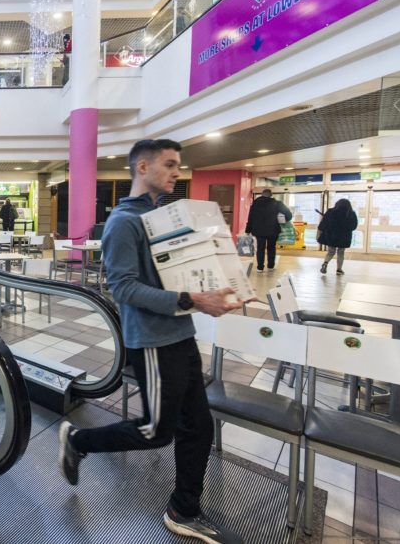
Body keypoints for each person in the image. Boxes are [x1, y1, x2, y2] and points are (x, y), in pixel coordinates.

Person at [58, 139, 245, 544]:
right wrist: (190, 299)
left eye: (178, 165)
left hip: (180, 334)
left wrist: (211, 288)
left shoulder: (160, 217)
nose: (177, 173)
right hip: (154, 343)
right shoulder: (124, 222)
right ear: (142, 167)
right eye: (170, 165)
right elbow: (123, 288)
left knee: (197, 427)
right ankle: (78, 439)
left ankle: (184, 509)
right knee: (156, 431)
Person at [245, 189, 291, 273]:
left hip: (259, 231)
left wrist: (247, 230)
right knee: (271, 248)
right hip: (273, 230)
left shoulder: (255, 204)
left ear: (262, 195)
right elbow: (289, 215)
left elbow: (250, 217)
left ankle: (260, 268)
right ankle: (270, 266)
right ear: (271, 195)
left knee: (260, 248)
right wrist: (284, 220)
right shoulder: (277, 203)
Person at [318, 198, 357, 275]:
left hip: (331, 236)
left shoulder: (330, 212)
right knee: (341, 253)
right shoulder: (351, 213)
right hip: (344, 237)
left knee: (330, 252)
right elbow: (354, 226)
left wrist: (320, 232)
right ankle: (339, 270)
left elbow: (323, 223)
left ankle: (325, 263)